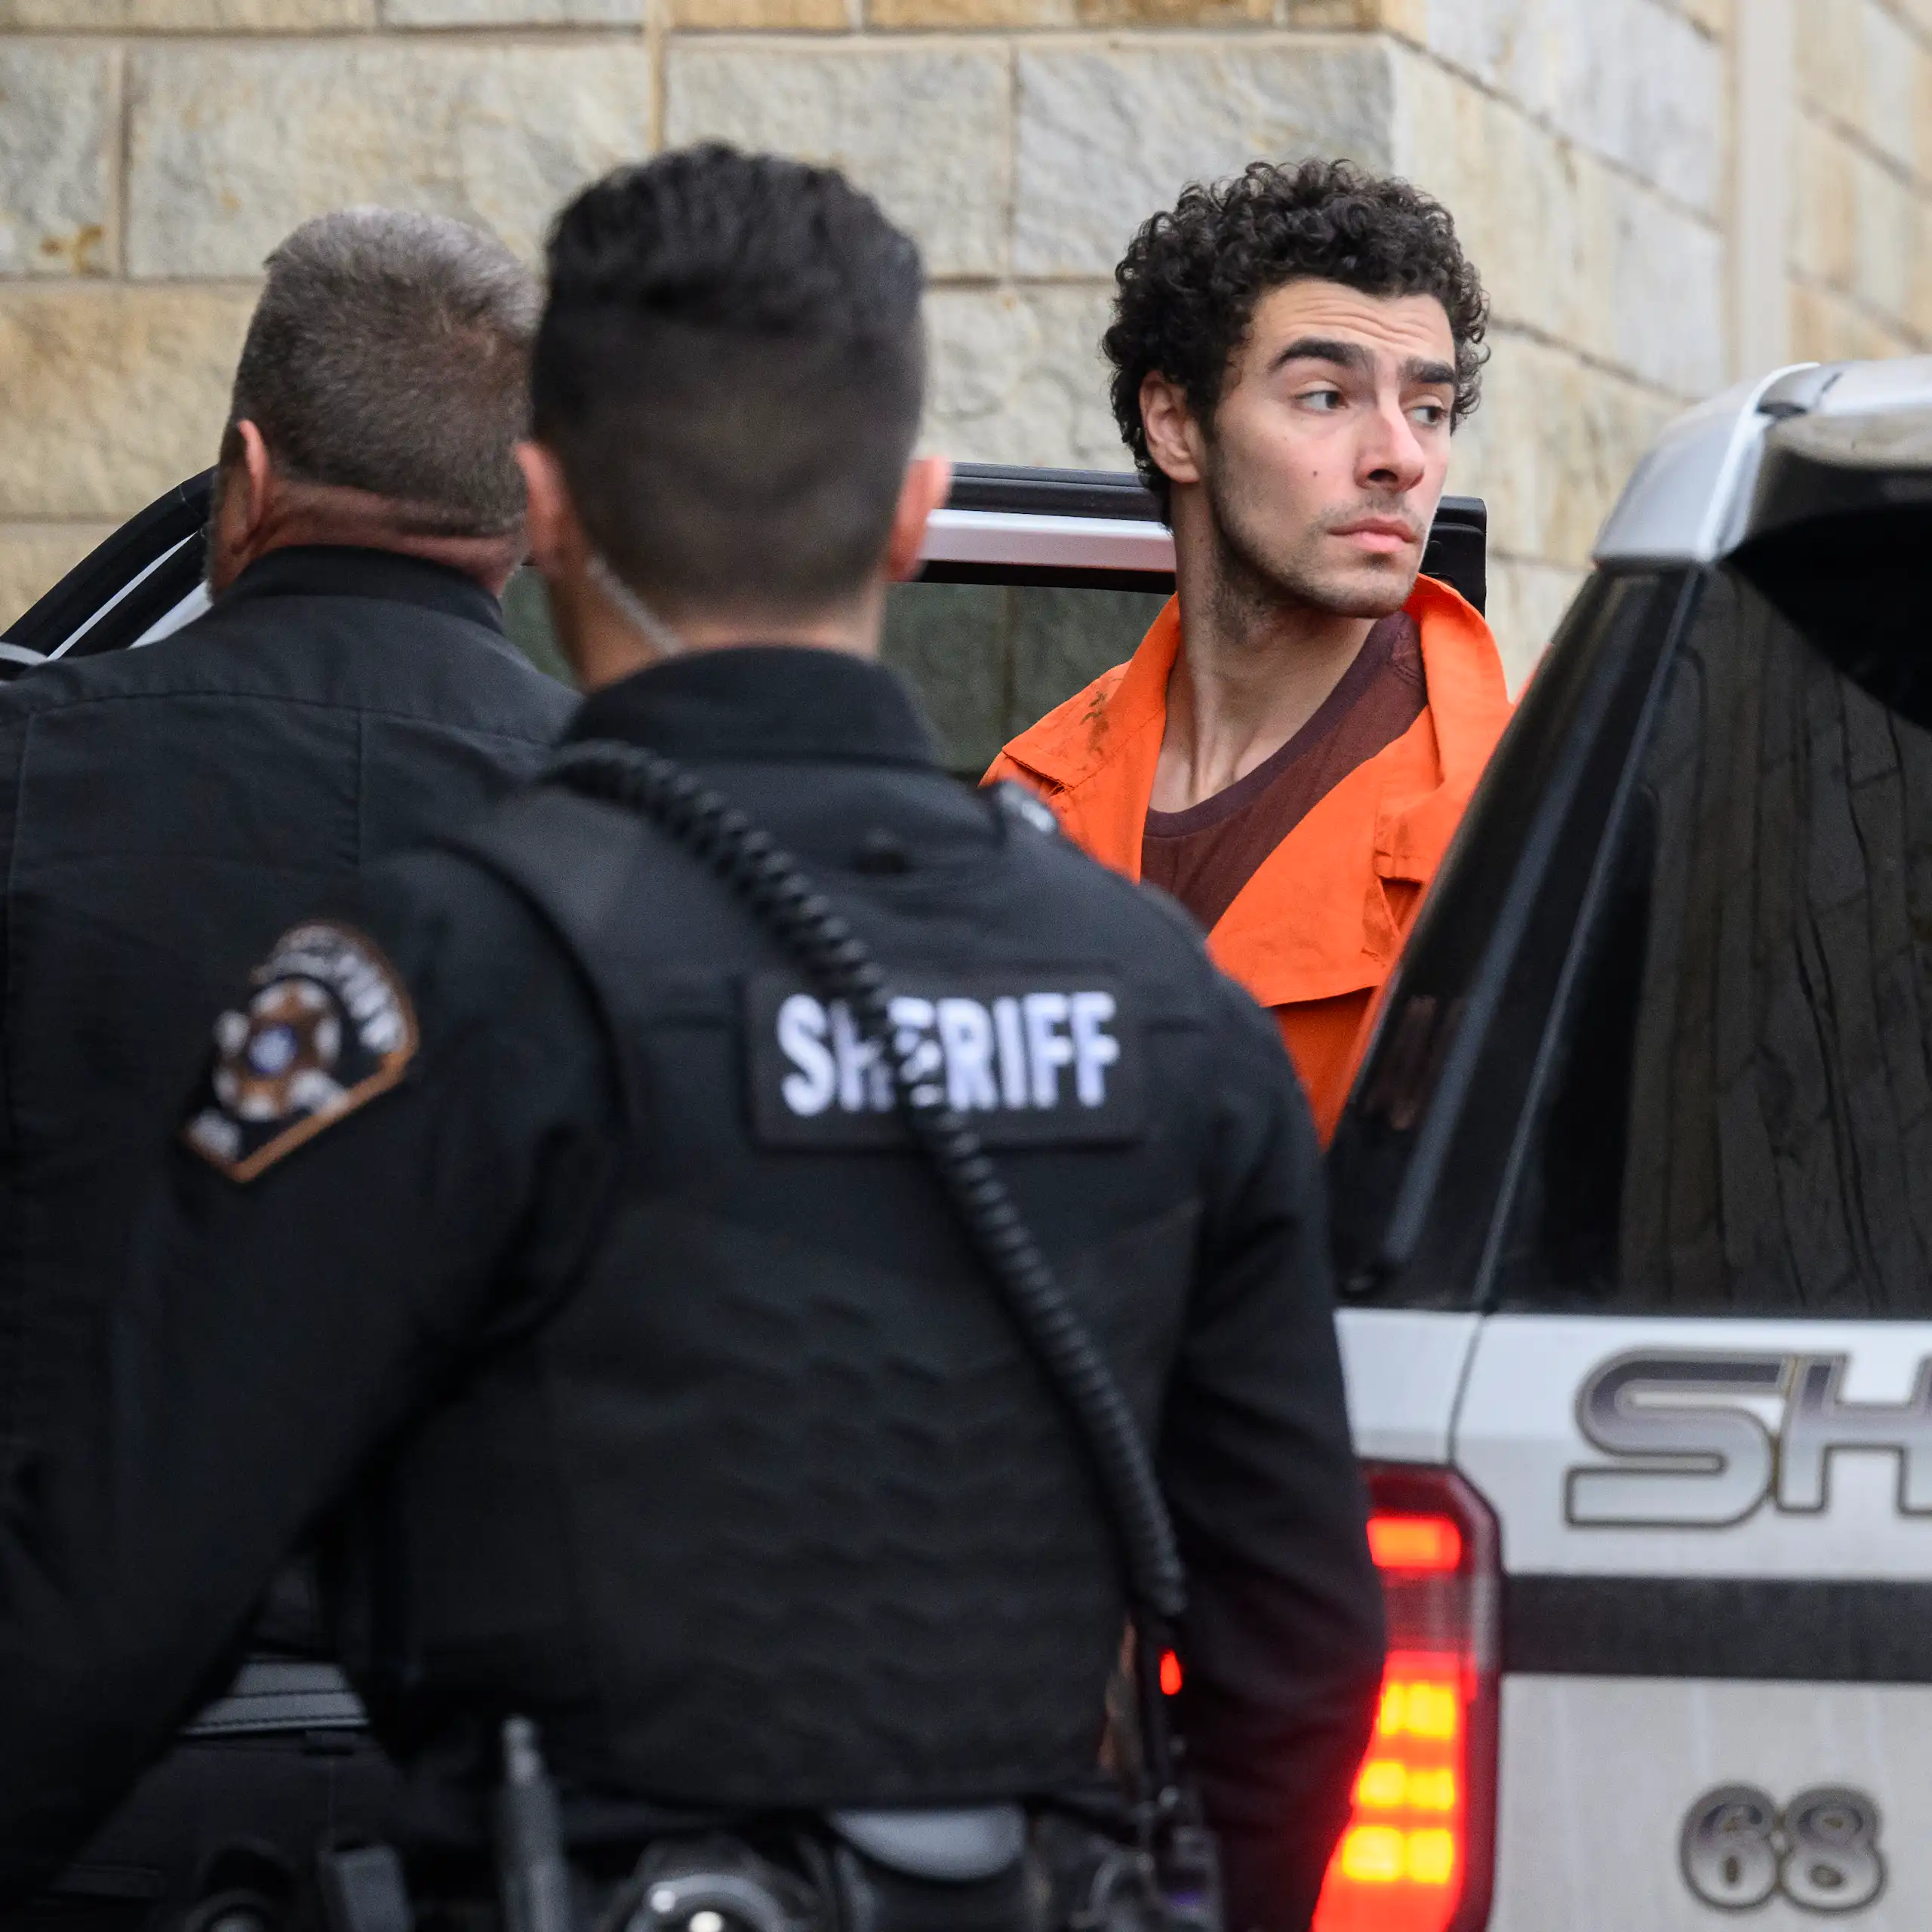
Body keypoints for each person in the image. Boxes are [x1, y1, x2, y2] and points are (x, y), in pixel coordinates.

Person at [0, 149, 1383, 1932]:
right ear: (912, 511)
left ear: (549, 510)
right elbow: (1301, 1645)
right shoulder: (1163, 995)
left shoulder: (439, 970)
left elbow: (112, 1601)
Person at [0, 209, 571, 1915]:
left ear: (245, 474)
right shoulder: (644, 826)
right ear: (527, 512)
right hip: (500, 1804)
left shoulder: (31, 775)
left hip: (59, 1768)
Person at [987, 160, 1513, 1143]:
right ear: (1177, 423)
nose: (1399, 453)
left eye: (1430, 408)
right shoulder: (1029, 798)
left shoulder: (1519, 818)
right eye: (1326, 396)